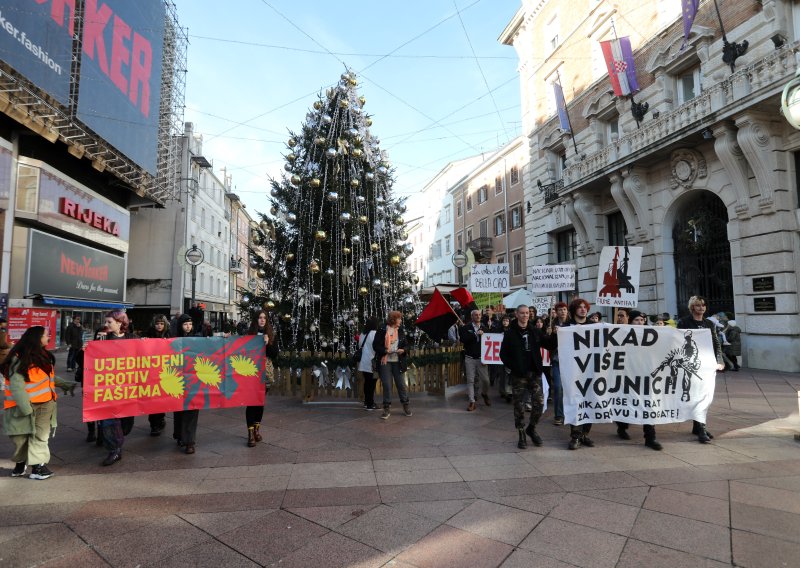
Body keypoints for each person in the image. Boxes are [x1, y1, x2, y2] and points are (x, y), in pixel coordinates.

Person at [2, 326, 75, 479]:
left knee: (39, 436)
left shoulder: (41, 355)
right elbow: (16, 386)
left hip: (43, 404)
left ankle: (33, 467)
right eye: (46, 335)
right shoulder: (20, 358)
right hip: (25, 406)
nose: (49, 337)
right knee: (23, 438)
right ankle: (28, 466)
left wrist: (65, 384)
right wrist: (26, 409)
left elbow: (45, 377)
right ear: (36, 338)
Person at [677, 296, 725, 443]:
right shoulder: (684, 322)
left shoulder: (709, 323)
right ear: (692, 307)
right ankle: (700, 428)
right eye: (698, 305)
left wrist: (719, 360)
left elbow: (716, 342)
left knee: (704, 396)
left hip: (705, 364)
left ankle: (699, 427)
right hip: (689, 364)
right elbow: (677, 341)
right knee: (695, 396)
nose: (701, 308)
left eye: (703, 305)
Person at [615, 310, 662, 450]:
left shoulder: (651, 334)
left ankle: (650, 437)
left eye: (642, 320)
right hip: (628, 374)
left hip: (646, 375)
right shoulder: (623, 333)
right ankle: (622, 426)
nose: (640, 323)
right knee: (626, 401)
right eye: (636, 320)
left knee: (648, 403)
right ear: (631, 321)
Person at [499, 304, 544, 450]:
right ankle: (521, 433)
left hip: (534, 373)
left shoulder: (535, 331)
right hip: (519, 375)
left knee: (539, 404)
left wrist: (555, 334)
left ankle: (531, 428)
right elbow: (503, 354)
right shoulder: (510, 333)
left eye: (527, 313)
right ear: (517, 314)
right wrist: (514, 366)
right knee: (519, 406)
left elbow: (548, 343)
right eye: (522, 313)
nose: (525, 315)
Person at [97, 311, 136, 466]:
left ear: (120, 323)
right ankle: (114, 449)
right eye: (106, 322)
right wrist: (86, 350)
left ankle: (117, 437)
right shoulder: (102, 338)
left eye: (109, 322)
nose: (105, 325)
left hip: (127, 387)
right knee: (109, 419)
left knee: (126, 424)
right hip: (108, 386)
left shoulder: (132, 338)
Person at [244, 310, 279, 446]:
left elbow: (274, 354)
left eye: (264, 318)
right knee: (251, 403)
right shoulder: (249, 335)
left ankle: (256, 430)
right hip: (251, 373)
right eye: (260, 317)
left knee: (259, 402)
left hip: (265, 374)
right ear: (256, 320)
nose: (262, 320)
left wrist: (267, 343)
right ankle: (250, 433)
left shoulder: (271, 335)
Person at [372, 310, 411, 420]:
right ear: (393, 320)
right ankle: (386, 408)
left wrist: (403, 350)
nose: (400, 320)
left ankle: (405, 405)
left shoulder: (401, 330)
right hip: (385, 361)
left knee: (401, 384)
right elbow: (375, 345)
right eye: (399, 318)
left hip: (398, 362)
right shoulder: (382, 329)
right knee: (387, 385)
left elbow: (406, 345)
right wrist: (385, 350)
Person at [173, 314, 201, 453]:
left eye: (190, 324)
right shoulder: (174, 339)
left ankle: (189, 441)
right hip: (177, 379)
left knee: (192, 409)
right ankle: (180, 435)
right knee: (179, 409)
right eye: (185, 324)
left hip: (193, 380)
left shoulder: (197, 338)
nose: (188, 327)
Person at [144, 315, 171, 437]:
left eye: (161, 323)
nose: (159, 326)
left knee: (161, 397)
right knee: (152, 398)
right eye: (157, 323)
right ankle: (154, 424)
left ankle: (160, 419)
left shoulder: (169, 334)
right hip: (151, 371)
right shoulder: (148, 334)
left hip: (164, 371)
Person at [460, 309, 491, 411]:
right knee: (470, 380)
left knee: (486, 380)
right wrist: (475, 334)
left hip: (482, 359)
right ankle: (472, 401)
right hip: (469, 358)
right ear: (472, 316)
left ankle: (484, 393)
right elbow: (463, 339)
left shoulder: (485, 328)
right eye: (475, 315)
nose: (478, 316)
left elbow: (490, 342)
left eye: (479, 315)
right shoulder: (466, 328)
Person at [357, 317, 379, 410]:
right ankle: (370, 404)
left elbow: (360, 345)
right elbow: (377, 347)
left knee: (367, 382)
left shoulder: (363, 334)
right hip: (373, 362)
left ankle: (367, 402)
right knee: (372, 384)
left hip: (364, 361)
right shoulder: (375, 333)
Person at [497, 315, 513, 403]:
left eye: (507, 320)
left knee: (508, 374)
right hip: (498, 357)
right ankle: (502, 391)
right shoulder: (498, 330)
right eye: (504, 320)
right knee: (501, 374)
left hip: (509, 356)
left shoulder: (512, 331)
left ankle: (508, 392)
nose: (505, 322)